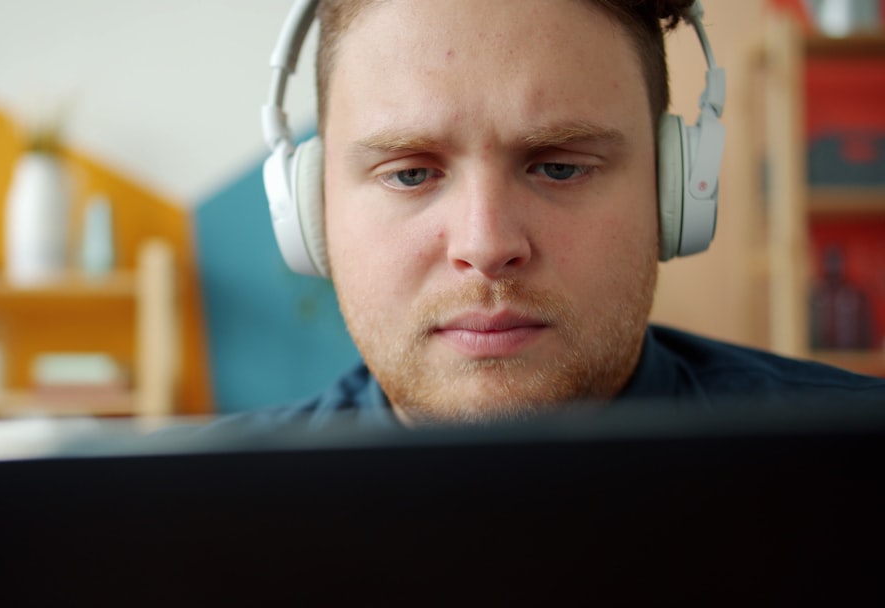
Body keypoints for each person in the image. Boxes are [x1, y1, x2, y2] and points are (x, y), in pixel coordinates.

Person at [241, 0, 885, 431]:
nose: (486, 245)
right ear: (310, 210)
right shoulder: (197, 521)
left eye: (559, 167)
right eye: (410, 173)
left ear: (676, 189)